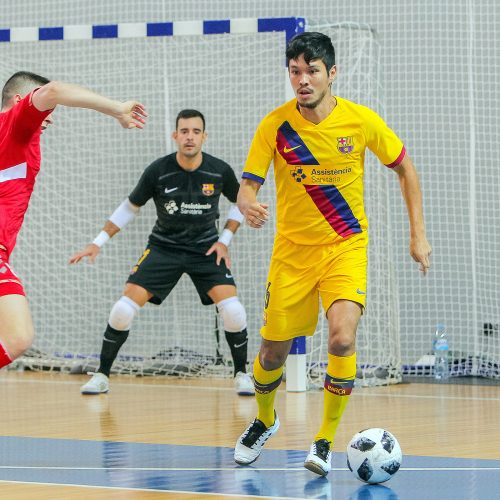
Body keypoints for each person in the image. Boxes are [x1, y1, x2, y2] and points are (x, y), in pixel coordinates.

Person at [234, 32, 432, 475]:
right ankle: (265, 419)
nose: (302, 80)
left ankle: (323, 440)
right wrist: (246, 202)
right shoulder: (275, 126)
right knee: (271, 355)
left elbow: (405, 168)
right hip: (291, 255)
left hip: (345, 247)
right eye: (295, 72)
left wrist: (417, 234)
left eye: (312, 71)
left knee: (342, 337)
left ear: (332, 74)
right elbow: (248, 186)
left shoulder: (360, 121)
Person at [70, 109, 255, 396]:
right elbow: (130, 207)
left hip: (205, 250)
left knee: (234, 312)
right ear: (175, 136)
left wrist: (225, 239)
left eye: (195, 131)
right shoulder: (158, 170)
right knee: (122, 310)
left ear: (204, 136)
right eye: (184, 131)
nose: (189, 137)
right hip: (163, 248)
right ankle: (102, 375)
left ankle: (241, 374)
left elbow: (241, 202)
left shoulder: (219, 170)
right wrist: (97, 242)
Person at [0, 71, 147, 372]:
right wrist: (116, 108)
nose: (50, 118)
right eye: (44, 111)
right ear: (20, 100)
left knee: (18, 337)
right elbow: (54, 91)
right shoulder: (16, 126)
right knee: (17, 337)